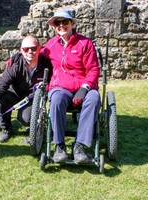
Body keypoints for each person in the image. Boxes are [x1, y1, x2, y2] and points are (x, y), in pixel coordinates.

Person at [41, 9, 101, 164]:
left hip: (84, 87)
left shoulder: (85, 43)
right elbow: (35, 57)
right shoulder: (51, 44)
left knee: (94, 98)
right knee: (56, 98)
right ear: (54, 25)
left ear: (72, 23)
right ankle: (59, 146)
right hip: (61, 87)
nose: (61, 25)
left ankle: (79, 146)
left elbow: (94, 69)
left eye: (65, 22)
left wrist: (84, 88)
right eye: (57, 22)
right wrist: (18, 58)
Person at [0, 35, 52, 142]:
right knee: (1, 100)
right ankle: (6, 129)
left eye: (34, 48)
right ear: (21, 50)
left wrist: (46, 87)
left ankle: (34, 124)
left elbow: (53, 82)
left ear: (40, 48)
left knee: (26, 119)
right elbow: (0, 86)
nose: (30, 51)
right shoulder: (15, 64)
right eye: (26, 49)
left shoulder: (47, 64)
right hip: (15, 93)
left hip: (33, 97)